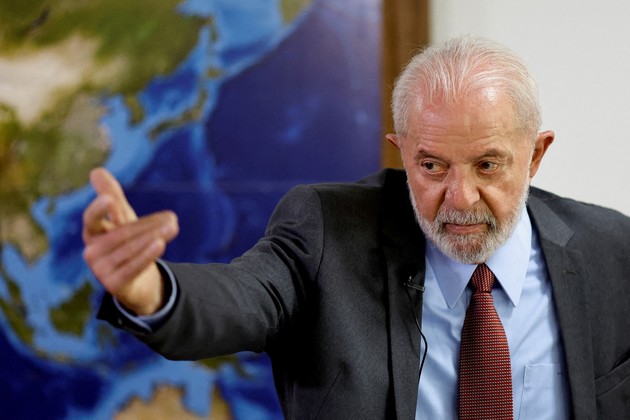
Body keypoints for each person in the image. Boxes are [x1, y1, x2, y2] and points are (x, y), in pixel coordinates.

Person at [83, 36, 630, 419]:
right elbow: (242, 299)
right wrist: (149, 289)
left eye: (487, 165)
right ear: (401, 151)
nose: (459, 198)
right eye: (431, 166)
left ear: (535, 155)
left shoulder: (614, 253)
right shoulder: (327, 231)